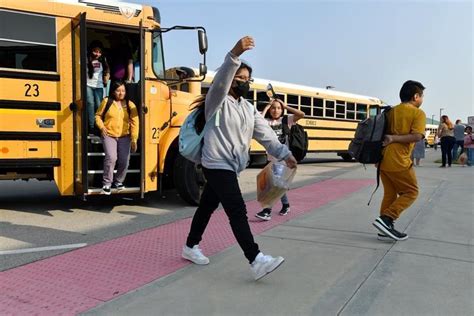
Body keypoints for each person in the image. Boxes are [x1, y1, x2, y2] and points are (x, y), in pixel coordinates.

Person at [181, 36, 297, 281]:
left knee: (207, 206)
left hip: (232, 167)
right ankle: (255, 259)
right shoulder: (217, 101)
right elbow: (221, 82)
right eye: (240, 78)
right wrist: (234, 54)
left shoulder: (248, 108)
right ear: (231, 80)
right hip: (215, 163)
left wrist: (286, 155)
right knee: (237, 209)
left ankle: (190, 246)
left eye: (247, 79)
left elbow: (266, 135)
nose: (244, 83)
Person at [372, 80, 426, 241]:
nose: (422, 100)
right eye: (422, 96)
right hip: (399, 160)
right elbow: (417, 136)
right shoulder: (418, 113)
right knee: (411, 191)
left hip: (383, 159)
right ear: (416, 96)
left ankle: (384, 229)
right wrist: (396, 138)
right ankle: (387, 219)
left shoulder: (390, 111)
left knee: (390, 193)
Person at [255, 98, 304, 220]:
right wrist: (267, 106)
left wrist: (285, 106)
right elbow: (257, 121)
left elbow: (301, 114)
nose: (275, 110)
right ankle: (286, 205)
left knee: (273, 185)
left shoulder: (286, 120)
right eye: (273, 108)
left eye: (278, 108)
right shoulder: (266, 122)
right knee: (277, 184)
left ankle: (267, 211)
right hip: (271, 159)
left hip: (283, 160)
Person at [95, 81, 139, 195]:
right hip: (109, 135)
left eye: (123, 91)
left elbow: (135, 122)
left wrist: (134, 139)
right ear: (113, 91)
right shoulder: (107, 101)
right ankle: (107, 183)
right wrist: (101, 126)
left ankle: (118, 181)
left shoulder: (130, 104)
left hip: (125, 136)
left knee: (125, 161)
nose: (121, 93)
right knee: (111, 157)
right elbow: (98, 116)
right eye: (118, 90)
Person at [86, 41, 109, 135]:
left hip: (99, 86)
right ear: (91, 51)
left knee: (99, 106)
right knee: (90, 104)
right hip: (88, 84)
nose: (97, 54)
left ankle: (99, 126)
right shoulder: (87, 59)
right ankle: (91, 126)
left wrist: (106, 79)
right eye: (95, 51)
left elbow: (107, 70)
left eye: (99, 52)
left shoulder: (103, 60)